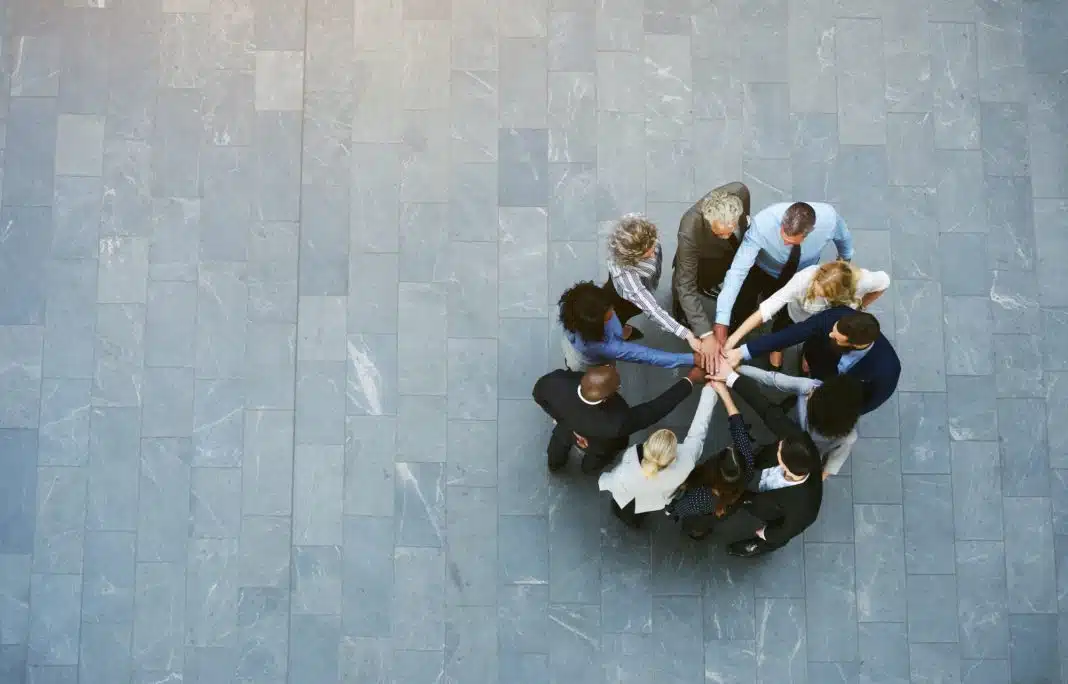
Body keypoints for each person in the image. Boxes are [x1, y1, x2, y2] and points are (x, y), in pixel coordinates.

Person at [711, 201, 855, 365]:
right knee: (743, 302)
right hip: (763, 269)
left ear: (809, 232)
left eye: (791, 242)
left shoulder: (829, 219)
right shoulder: (762, 224)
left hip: (800, 272)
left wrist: (842, 266)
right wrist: (722, 320)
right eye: (783, 237)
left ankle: (777, 346)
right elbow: (737, 271)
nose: (785, 244)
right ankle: (733, 328)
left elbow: (845, 242)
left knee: (790, 314)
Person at [716, 373, 823, 558]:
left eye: (779, 449)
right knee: (743, 489)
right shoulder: (800, 441)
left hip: (772, 511)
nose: (778, 444)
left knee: (772, 539)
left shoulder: (803, 509)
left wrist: (766, 533)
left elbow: (785, 530)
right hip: (765, 479)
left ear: (784, 464)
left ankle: (755, 547)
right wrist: (732, 377)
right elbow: (768, 411)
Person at [531, 364, 707, 474]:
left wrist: (560, 419)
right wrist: (690, 379)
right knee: (596, 459)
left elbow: (538, 395)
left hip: (565, 428)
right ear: (606, 397)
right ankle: (589, 469)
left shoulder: (555, 382)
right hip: (599, 445)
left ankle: (555, 464)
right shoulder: (617, 421)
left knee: (558, 446)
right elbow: (654, 409)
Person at [722, 308, 900, 415]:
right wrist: (742, 352)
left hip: (835, 393)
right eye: (832, 330)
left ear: (855, 344)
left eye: (837, 338)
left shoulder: (887, 370)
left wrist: (836, 412)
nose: (830, 334)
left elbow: (870, 401)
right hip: (818, 361)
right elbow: (792, 334)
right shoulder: (836, 316)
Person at [725, 260, 889, 369]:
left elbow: (884, 282)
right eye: (816, 287)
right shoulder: (803, 279)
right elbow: (768, 307)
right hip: (798, 316)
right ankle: (778, 348)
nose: (816, 293)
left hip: (832, 323)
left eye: (824, 294)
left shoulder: (864, 280)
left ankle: (808, 355)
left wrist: (861, 307)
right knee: (783, 330)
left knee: (822, 341)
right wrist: (733, 338)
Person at [597, 382, 718, 528]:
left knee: (622, 509)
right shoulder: (686, 462)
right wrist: (710, 391)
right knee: (639, 514)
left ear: (648, 444)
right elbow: (699, 432)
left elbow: (615, 478)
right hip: (652, 501)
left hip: (625, 496)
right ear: (673, 457)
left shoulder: (631, 456)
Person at [604, 215, 711, 365]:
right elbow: (653, 310)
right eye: (648, 253)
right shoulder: (626, 276)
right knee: (620, 314)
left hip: (645, 282)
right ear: (632, 258)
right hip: (624, 299)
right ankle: (621, 331)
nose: (654, 253)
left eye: (653, 245)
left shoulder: (638, 230)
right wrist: (687, 335)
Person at [670, 182, 752, 367]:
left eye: (730, 230)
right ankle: (681, 313)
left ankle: (707, 285)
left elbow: (745, 216)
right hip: (699, 259)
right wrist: (706, 333)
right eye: (720, 233)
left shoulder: (739, 191)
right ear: (708, 221)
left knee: (713, 277)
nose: (726, 234)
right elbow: (686, 286)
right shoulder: (689, 229)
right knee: (685, 287)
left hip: (723, 256)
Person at [664, 379, 756, 539]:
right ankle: (701, 532)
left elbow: (682, 508)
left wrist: (671, 510)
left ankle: (697, 533)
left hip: (700, 515)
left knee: (695, 526)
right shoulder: (747, 464)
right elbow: (738, 428)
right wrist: (723, 392)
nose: (729, 447)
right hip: (724, 508)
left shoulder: (702, 496)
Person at [733, 366, 864, 479]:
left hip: (809, 454)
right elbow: (771, 378)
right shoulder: (810, 387)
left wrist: (816, 480)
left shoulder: (848, 438)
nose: (811, 392)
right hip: (792, 433)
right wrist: (737, 367)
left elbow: (833, 462)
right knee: (769, 455)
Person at [558, 281, 697, 371]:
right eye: (608, 312)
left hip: (573, 344)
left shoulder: (575, 308)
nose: (612, 309)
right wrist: (693, 359)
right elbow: (648, 355)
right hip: (588, 364)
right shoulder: (608, 347)